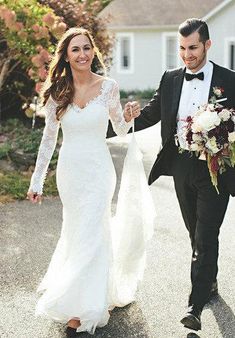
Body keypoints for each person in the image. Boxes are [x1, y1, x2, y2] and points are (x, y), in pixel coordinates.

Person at [27, 27, 141, 336]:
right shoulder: (56, 92)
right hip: (70, 171)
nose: (83, 54)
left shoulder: (108, 87)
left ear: (93, 52)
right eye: (75, 49)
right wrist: (37, 180)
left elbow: (118, 130)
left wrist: (129, 116)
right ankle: (87, 292)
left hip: (99, 169)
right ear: (66, 55)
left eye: (87, 48)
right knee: (78, 230)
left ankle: (84, 305)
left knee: (94, 227)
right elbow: (49, 140)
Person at [124, 18, 235, 331]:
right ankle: (208, 281)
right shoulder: (171, 78)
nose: (187, 54)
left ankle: (194, 305)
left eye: (193, 47)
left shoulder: (230, 79)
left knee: (205, 233)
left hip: (215, 166)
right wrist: (123, 119)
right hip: (180, 165)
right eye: (182, 48)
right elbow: (152, 113)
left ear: (207, 45)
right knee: (194, 231)